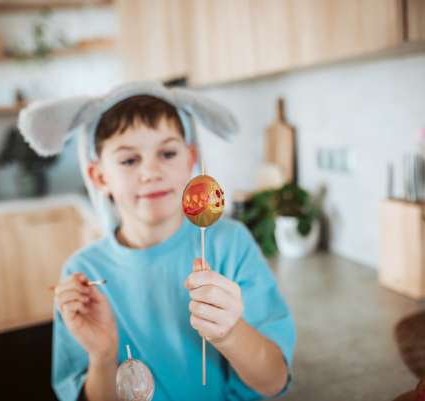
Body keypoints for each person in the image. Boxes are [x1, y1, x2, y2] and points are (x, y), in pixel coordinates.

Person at [40, 88, 295, 401]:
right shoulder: (83, 274)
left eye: (167, 154)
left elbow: (273, 381)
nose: (151, 172)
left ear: (191, 159)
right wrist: (104, 356)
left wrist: (230, 333)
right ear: (99, 176)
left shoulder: (230, 243)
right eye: (130, 160)